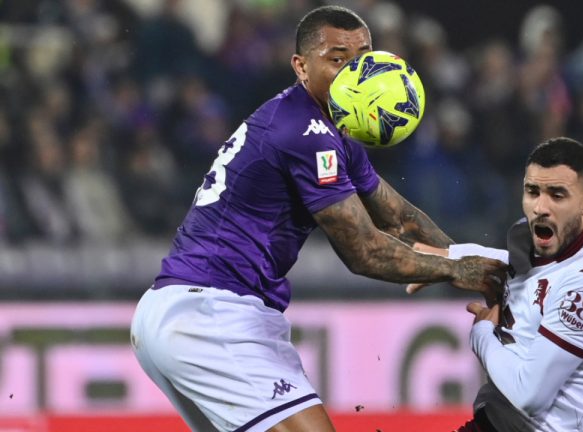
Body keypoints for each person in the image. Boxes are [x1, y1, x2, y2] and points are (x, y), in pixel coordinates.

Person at [129, 6, 507, 432]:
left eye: (363, 58)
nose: (354, 73)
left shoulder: (329, 129)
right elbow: (364, 251)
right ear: (301, 66)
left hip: (191, 311)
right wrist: (458, 270)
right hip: (211, 312)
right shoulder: (304, 133)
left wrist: (470, 261)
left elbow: (399, 218)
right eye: (337, 59)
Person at [410, 137, 583, 432]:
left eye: (557, 194)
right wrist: (450, 259)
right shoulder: (545, 237)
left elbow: (528, 395)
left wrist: (482, 333)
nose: (540, 206)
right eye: (532, 191)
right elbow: (522, 268)